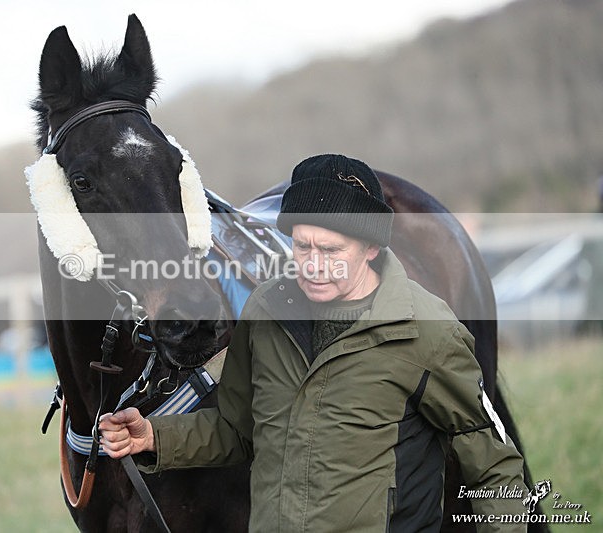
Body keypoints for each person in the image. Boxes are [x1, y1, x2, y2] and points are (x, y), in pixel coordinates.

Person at [99, 154, 526, 532]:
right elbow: (238, 428)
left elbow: (493, 462)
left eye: (331, 249)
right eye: (302, 246)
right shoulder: (266, 311)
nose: (315, 265)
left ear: (372, 248)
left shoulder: (429, 329)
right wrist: (155, 436)